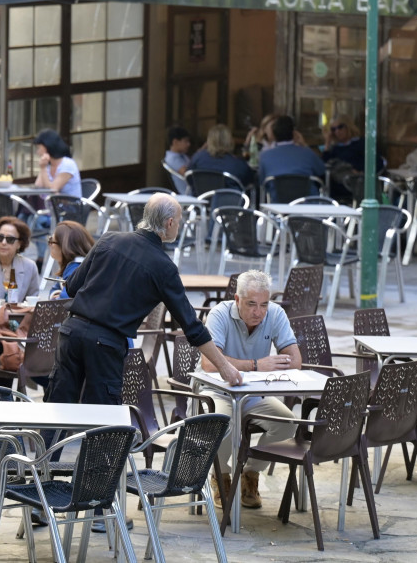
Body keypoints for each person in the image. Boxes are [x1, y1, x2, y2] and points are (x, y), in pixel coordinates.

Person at [45, 193, 241, 533]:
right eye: (178, 221)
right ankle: (96, 513)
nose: (178, 226)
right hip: (106, 343)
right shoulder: (163, 267)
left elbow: (72, 286)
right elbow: (191, 326)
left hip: (72, 333)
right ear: (168, 224)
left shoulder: (108, 240)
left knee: (56, 415)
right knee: (104, 426)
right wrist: (225, 366)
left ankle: (38, 498)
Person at [200, 269, 302, 510]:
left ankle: (250, 472)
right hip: (217, 391)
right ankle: (221, 475)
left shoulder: (275, 314)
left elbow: (295, 361)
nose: (259, 312)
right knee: (225, 421)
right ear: (237, 300)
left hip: (252, 394)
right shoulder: (219, 314)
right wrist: (257, 365)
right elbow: (209, 364)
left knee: (287, 423)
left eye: (264, 304)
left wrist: (267, 366)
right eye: (252, 304)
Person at [30, 129, 82, 262]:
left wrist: (42, 169)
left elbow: (52, 189)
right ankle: (42, 258)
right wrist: (43, 168)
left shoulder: (67, 164)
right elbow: (38, 185)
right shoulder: (49, 165)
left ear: (47, 146)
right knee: (30, 220)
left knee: (35, 221)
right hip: (52, 211)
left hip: (69, 212)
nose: (37, 152)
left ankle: (45, 260)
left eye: (39, 148)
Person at [258, 115, 326, 201]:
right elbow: (321, 170)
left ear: (274, 134)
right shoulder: (307, 153)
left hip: (278, 205)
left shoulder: (265, 156)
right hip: (309, 205)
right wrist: (304, 145)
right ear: (294, 133)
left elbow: (262, 183)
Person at [322, 113, 385, 201]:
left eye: (340, 127)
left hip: (358, 183)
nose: (337, 131)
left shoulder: (362, 143)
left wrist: (359, 171)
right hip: (337, 184)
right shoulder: (335, 148)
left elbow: (378, 163)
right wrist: (327, 143)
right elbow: (325, 164)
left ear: (348, 126)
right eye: (333, 129)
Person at [190, 124, 254, 190]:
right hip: (230, 199)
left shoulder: (198, 158)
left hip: (201, 198)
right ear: (230, 141)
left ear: (209, 140)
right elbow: (249, 181)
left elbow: (189, 179)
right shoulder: (238, 164)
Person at [47, 220, 94, 299]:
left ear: (65, 246)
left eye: (51, 240)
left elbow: (63, 301)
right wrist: (57, 295)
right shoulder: (71, 265)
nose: (49, 244)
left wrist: (57, 297)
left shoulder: (75, 269)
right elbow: (54, 290)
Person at [164, 126, 191, 194]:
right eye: (186, 141)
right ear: (175, 142)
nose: (188, 144)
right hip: (186, 193)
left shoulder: (182, 155)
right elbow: (188, 174)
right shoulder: (173, 159)